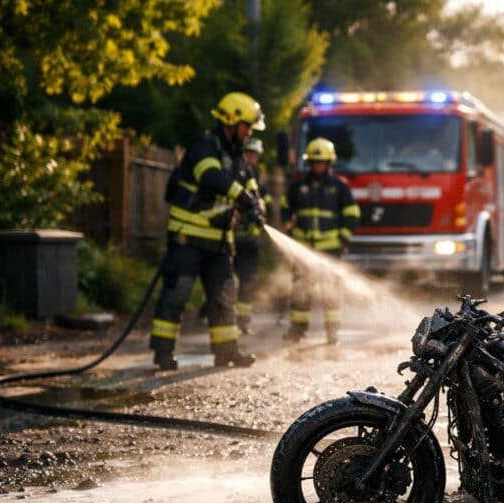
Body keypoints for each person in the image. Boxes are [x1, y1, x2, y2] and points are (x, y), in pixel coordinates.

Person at [150, 92, 265, 371]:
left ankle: (227, 352)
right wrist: (243, 197)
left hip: (219, 243)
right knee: (177, 294)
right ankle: (163, 353)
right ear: (231, 121)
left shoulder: (239, 158)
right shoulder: (205, 145)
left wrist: (256, 208)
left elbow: (250, 188)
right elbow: (210, 176)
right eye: (247, 126)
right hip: (187, 238)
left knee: (225, 297)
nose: (249, 132)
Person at [280, 137, 359, 345]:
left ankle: (332, 332)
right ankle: (297, 330)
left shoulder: (339, 187)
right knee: (300, 292)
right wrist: (287, 223)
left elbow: (351, 213)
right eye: (314, 162)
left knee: (331, 293)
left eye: (322, 162)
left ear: (329, 163)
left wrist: (343, 237)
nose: (318, 166)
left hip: (330, 251)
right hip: (303, 250)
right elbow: (285, 205)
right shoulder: (298, 186)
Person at [232, 136, 272, 334]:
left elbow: (265, 205)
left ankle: (243, 320)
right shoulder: (233, 171)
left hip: (250, 240)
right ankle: (223, 316)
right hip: (231, 238)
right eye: (249, 153)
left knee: (248, 280)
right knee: (227, 278)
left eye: (254, 154)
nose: (251, 157)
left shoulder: (256, 178)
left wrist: (260, 210)